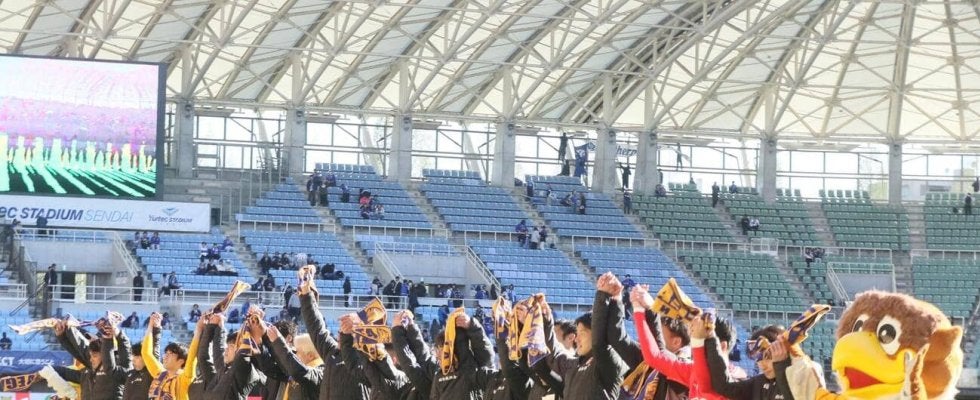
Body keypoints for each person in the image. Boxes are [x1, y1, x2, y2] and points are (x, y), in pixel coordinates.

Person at [548, 272, 628, 399]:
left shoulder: (608, 362)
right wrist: (545, 320)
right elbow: (552, 356)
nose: (576, 339)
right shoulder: (575, 364)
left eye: (582, 333)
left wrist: (603, 296)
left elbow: (599, 344)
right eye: (577, 333)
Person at [703, 326, 798, 400]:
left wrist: (781, 367)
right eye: (757, 359)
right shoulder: (757, 383)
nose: (762, 365)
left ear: (784, 351)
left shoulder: (801, 379)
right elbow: (724, 387)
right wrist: (710, 337)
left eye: (768, 357)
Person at [53, 318, 130, 400]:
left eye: (95, 340)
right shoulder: (89, 368)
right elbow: (77, 351)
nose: (90, 342)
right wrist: (62, 335)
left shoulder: (119, 368)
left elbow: (81, 347)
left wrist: (116, 333)